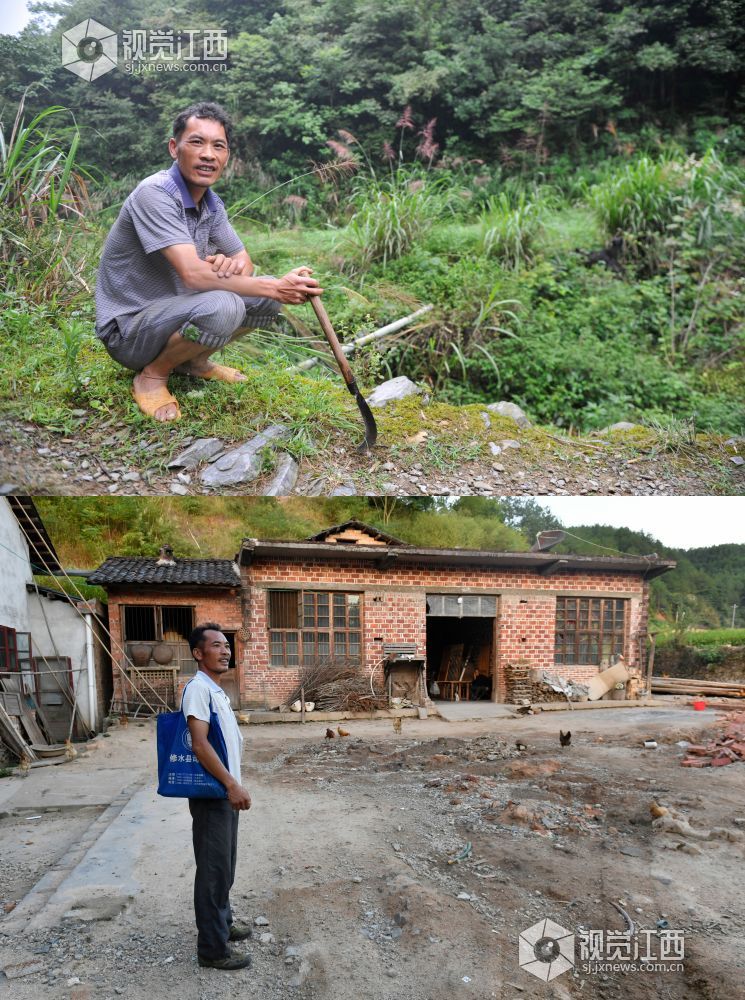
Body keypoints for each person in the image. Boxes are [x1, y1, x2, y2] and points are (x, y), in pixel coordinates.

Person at [95, 101, 322, 422]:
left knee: (262, 300)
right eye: (197, 142)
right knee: (226, 304)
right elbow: (193, 276)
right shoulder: (155, 194)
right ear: (175, 148)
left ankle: (194, 362)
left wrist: (231, 269)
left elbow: (245, 262)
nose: (208, 154)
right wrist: (271, 286)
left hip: (173, 314)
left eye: (219, 146)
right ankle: (152, 376)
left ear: (226, 156)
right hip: (130, 330)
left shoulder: (212, 204)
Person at [182, 622, 253, 970]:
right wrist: (231, 784)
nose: (225, 651)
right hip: (214, 795)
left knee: (224, 867)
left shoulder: (217, 690)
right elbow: (199, 744)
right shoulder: (198, 688)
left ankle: (222, 924)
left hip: (224, 793)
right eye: (215, 645)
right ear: (198, 653)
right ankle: (211, 949)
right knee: (213, 871)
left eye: (226, 645)